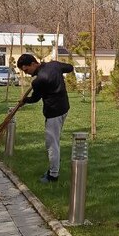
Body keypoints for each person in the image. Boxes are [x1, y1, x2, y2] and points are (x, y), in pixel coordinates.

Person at [16, 53, 75, 183]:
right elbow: (70, 67)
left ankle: (53, 175)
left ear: (33, 63)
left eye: (26, 70)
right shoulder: (54, 65)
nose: (26, 73)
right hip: (64, 108)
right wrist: (57, 67)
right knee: (55, 141)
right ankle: (55, 164)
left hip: (53, 113)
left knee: (51, 144)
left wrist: (24, 100)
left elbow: (35, 98)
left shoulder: (39, 81)